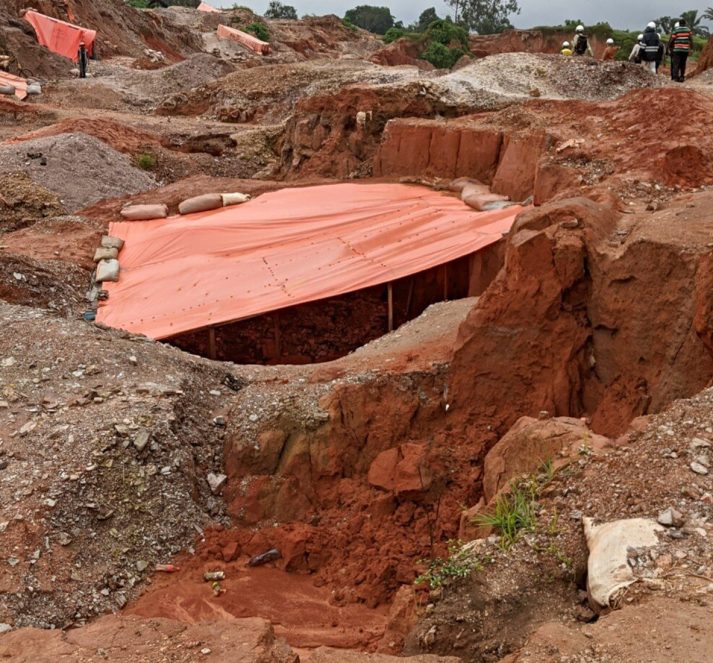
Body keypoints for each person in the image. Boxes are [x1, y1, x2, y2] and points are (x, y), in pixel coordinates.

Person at [670, 18, 693, 82]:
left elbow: (672, 39)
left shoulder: (676, 30)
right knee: (683, 63)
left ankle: (675, 78)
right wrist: (691, 49)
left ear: (679, 24)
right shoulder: (688, 30)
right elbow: (691, 40)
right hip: (685, 50)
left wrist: (669, 46)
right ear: (685, 24)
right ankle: (682, 77)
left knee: (676, 64)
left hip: (677, 50)